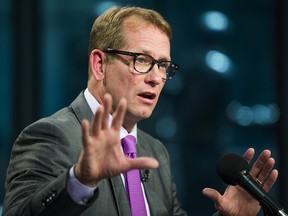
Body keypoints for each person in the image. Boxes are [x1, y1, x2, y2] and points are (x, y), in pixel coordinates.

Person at [3, 5, 278, 216]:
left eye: (163, 65)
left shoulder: (154, 150)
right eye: (142, 60)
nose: (156, 78)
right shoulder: (50, 135)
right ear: (100, 65)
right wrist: (80, 181)